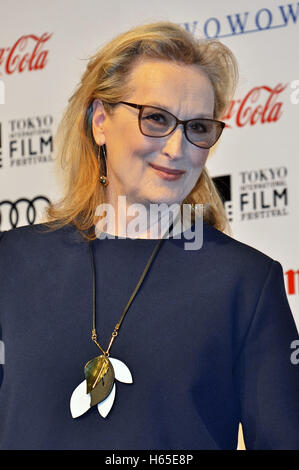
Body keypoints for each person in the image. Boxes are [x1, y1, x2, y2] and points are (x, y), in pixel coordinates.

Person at [0, 21, 298, 451]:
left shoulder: (246, 283)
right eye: (156, 118)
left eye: (197, 128)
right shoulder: (12, 263)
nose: (177, 149)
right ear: (100, 121)